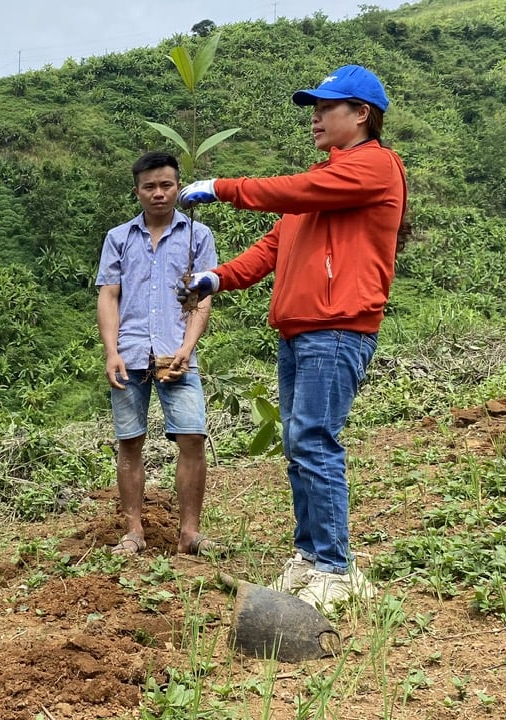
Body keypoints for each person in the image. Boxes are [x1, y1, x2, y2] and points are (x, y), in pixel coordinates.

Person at [178, 65, 408, 612]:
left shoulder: (373, 166)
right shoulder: (324, 183)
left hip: (337, 328)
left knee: (314, 441)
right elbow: (273, 246)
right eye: (315, 107)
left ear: (362, 114)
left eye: (327, 107)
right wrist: (217, 277)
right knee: (299, 443)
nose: (316, 117)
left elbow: (296, 191)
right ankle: (311, 556)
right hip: (302, 330)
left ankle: (335, 566)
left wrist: (223, 188)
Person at [95, 151, 219, 558]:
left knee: (192, 437)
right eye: (150, 186)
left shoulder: (197, 235)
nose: (159, 193)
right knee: (129, 442)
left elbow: (202, 299)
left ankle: (190, 533)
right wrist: (111, 351)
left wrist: (187, 348)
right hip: (129, 353)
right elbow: (109, 296)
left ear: (178, 187)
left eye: (166, 185)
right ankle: (133, 530)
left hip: (176, 355)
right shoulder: (118, 238)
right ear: (137, 192)